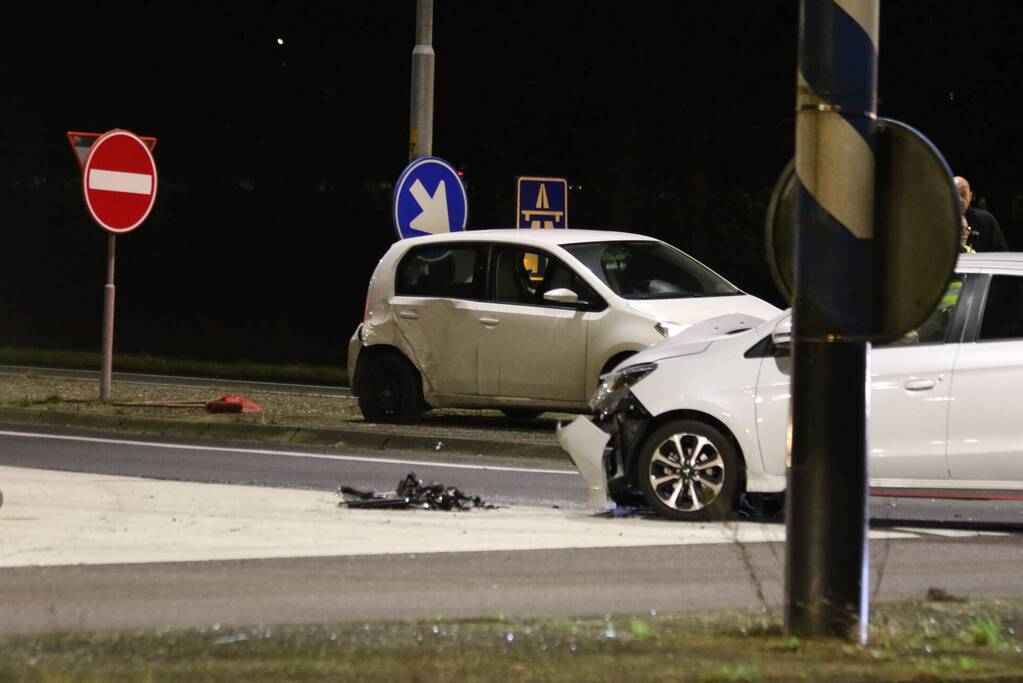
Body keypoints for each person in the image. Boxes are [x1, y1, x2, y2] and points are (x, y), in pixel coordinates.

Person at [955, 176, 1007, 251]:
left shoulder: (986, 220)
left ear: (970, 196)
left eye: (963, 194)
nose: (960, 200)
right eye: (955, 195)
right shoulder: (939, 221)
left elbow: (1001, 253)